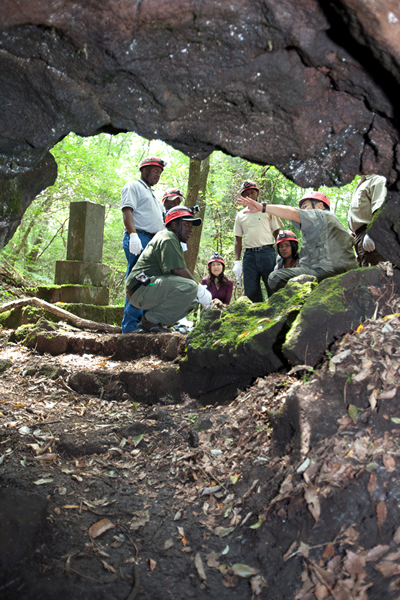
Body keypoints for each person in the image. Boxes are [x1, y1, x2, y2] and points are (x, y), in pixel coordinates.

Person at [238, 191, 357, 293]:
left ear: (320, 205)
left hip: (328, 272)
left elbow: (292, 213)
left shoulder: (319, 215)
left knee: (275, 277)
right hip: (343, 270)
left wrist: (262, 207)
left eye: (305, 207)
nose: (303, 210)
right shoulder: (331, 223)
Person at [126, 206, 212, 333]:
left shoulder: (172, 240)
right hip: (143, 287)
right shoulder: (167, 237)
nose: (191, 229)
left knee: (191, 299)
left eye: (191, 225)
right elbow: (178, 270)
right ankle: (151, 321)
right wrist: (199, 287)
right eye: (187, 224)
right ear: (175, 224)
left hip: (149, 286)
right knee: (190, 287)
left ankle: (155, 323)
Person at [120, 156, 166, 333]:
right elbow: (127, 211)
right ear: (144, 170)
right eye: (155, 171)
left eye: (160, 173)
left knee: (152, 283)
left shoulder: (153, 195)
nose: (158, 176)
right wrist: (133, 235)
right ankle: (130, 326)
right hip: (139, 239)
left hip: (154, 242)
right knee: (138, 282)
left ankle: (146, 323)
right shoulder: (133, 186)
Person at [232, 180, 282, 301]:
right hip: (250, 256)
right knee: (251, 291)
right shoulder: (240, 215)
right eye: (246, 194)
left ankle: (277, 316)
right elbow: (238, 239)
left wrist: (282, 254)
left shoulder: (267, 210)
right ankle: (256, 315)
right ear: (243, 196)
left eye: (252, 192)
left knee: (273, 286)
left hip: (268, 253)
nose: (250, 196)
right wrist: (237, 261)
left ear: (257, 194)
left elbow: (278, 233)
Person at [347, 175, 387, 267]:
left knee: (377, 278)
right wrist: (355, 230)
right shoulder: (363, 183)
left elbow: (382, 208)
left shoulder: (378, 180)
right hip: (361, 237)